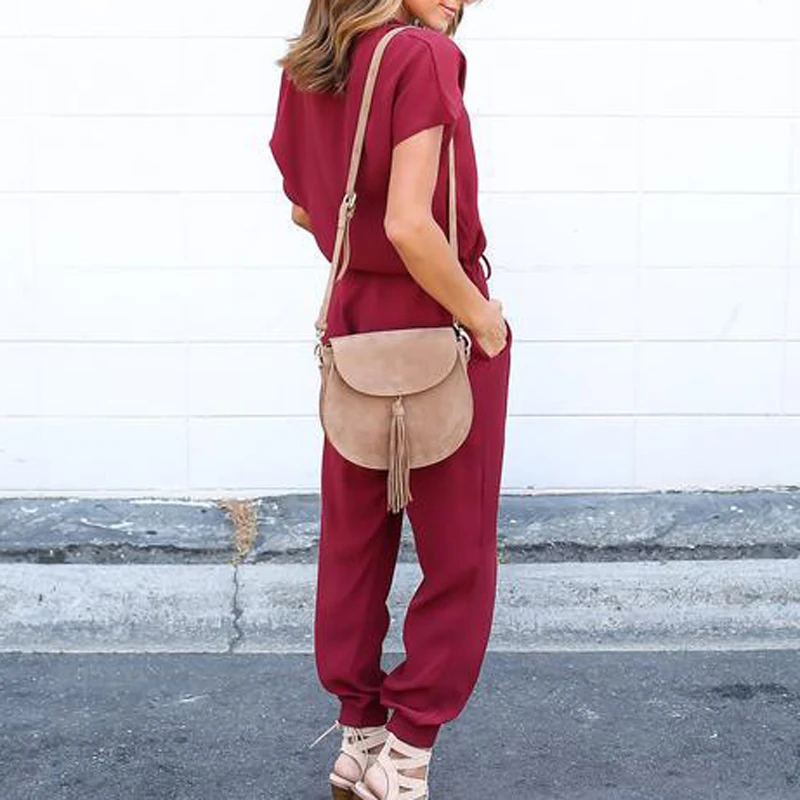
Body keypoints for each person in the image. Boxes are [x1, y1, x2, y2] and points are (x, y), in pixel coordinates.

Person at [269, 1, 511, 798]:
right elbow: (412, 223)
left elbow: (305, 207)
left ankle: (359, 736)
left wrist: (360, 248)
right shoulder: (422, 57)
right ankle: (405, 757)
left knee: (353, 539)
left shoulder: (312, 62)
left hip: (356, 321)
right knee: (458, 552)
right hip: (437, 323)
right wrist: (483, 319)